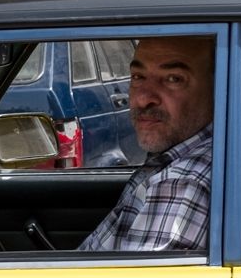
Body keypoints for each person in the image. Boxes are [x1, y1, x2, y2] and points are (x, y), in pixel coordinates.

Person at [78, 35, 214, 253]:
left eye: (173, 79)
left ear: (217, 88)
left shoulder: (181, 183)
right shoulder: (174, 162)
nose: (143, 99)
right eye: (138, 76)